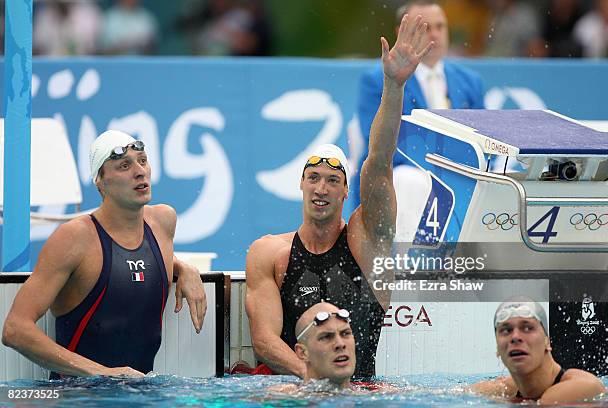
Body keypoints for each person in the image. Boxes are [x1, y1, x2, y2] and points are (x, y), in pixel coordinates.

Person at [245, 14, 433, 379]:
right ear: (300, 184)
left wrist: (393, 86)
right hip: (296, 395)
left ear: (346, 191)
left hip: (362, 395)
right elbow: (265, 340)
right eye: (313, 178)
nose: (321, 188)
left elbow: (378, 163)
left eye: (333, 180)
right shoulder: (269, 254)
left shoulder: (367, 243)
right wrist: (313, 380)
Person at [2, 130, 207, 378]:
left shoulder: (163, 222)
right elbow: (15, 329)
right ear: (100, 181)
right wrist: (103, 374)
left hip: (144, 395)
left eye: (142, 160)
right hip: (79, 397)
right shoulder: (75, 238)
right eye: (124, 165)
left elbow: (133, 262)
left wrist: (185, 267)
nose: (140, 171)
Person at [350, 0, 484, 210]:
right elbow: (378, 144)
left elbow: (484, 142)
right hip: (402, 180)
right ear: (401, 32)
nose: (435, 35)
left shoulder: (470, 82)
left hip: (460, 178)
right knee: (409, 180)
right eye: (425, 28)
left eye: (440, 26)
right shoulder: (377, 80)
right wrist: (439, 171)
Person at [471, 297, 606, 403]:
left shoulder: (582, 386)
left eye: (528, 328)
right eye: (506, 330)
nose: (515, 337)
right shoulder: (501, 389)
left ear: (547, 341)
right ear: (497, 349)